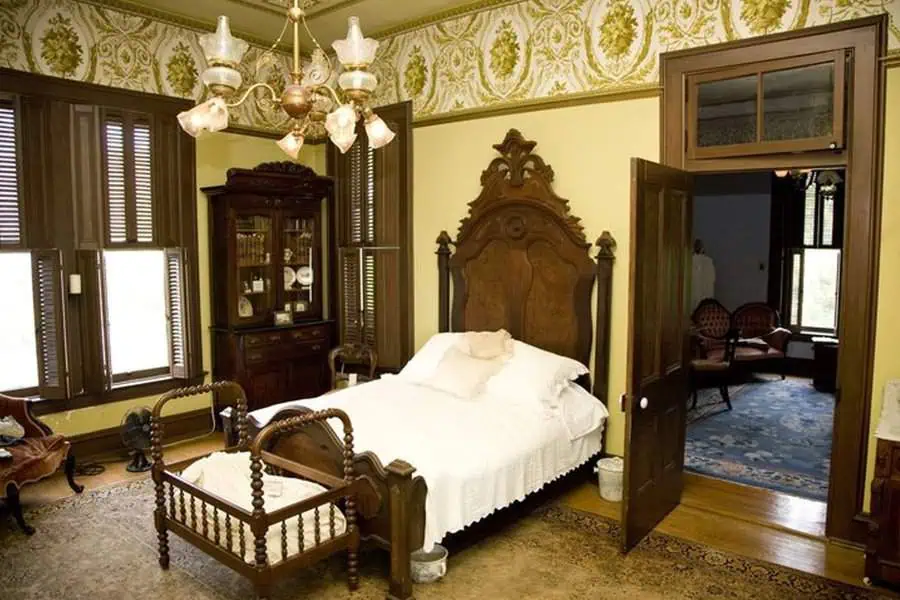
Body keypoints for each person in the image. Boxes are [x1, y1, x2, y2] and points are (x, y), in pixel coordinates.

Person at [691, 239, 716, 310]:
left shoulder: (689, 261)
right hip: (705, 298)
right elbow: (713, 279)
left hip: (694, 296)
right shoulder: (709, 261)